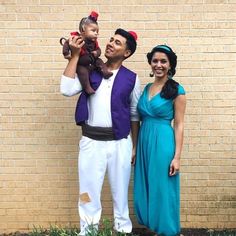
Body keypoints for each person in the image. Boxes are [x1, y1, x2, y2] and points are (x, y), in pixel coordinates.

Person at [60, 28, 140, 235]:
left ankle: (123, 230)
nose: (110, 43)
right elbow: (66, 89)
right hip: (91, 142)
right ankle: (88, 231)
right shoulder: (89, 70)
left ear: (127, 53)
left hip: (120, 143)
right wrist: (75, 57)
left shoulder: (132, 78)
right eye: (111, 40)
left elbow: (133, 114)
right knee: (88, 191)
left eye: (118, 43)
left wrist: (133, 146)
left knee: (120, 192)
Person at [133, 45, 186, 236]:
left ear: (170, 64)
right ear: (150, 63)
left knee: (162, 186)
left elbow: (179, 124)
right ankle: (154, 227)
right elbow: (137, 119)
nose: (159, 65)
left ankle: (168, 230)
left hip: (163, 142)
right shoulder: (147, 88)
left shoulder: (177, 90)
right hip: (144, 142)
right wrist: (134, 147)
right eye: (155, 61)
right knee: (147, 184)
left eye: (163, 61)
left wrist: (177, 157)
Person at [60, 11, 112, 94]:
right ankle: (87, 87)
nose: (96, 33)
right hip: (81, 63)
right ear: (83, 30)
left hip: (92, 60)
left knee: (99, 61)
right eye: (93, 31)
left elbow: (98, 49)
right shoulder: (76, 39)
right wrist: (66, 53)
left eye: (97, 31)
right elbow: (66, 44)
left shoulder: (94, 42)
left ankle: (105, 72)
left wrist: (96, 52)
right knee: (82, 72)